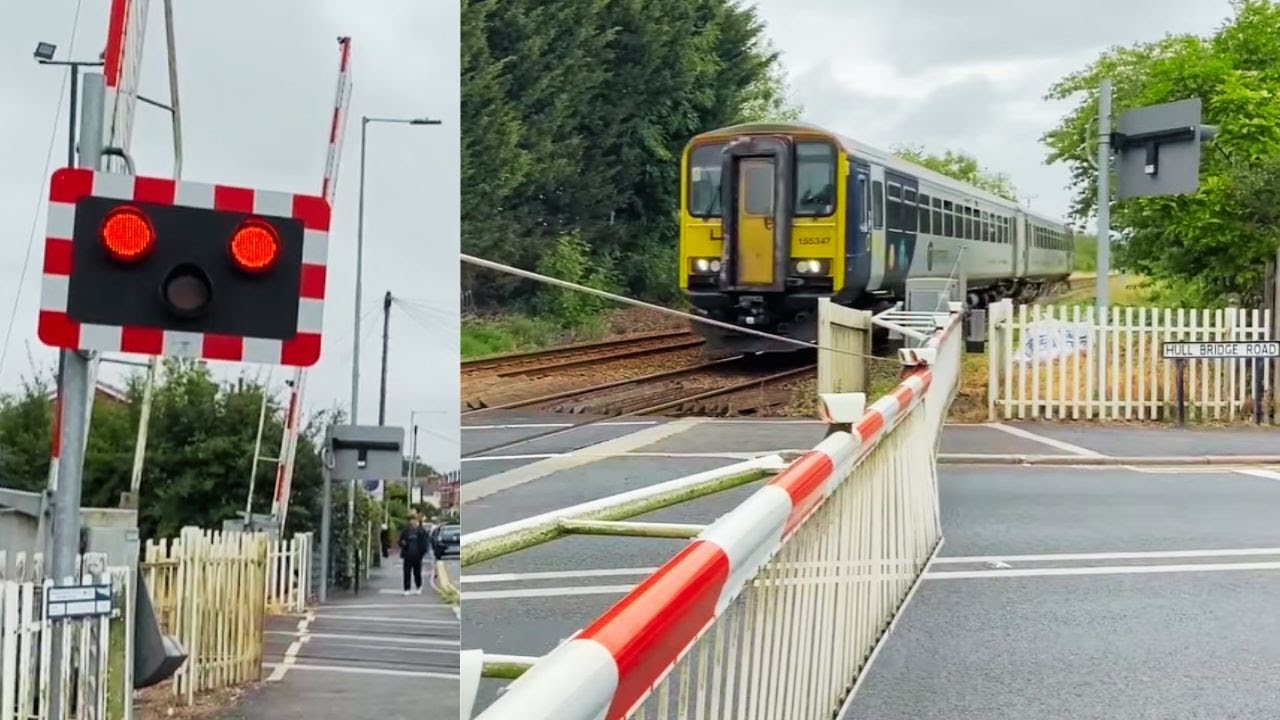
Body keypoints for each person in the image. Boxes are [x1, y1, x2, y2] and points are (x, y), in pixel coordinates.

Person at [398, 515, 430, 596]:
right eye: (411, 521)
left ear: (417, 522)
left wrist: (422, 553)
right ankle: (406, 589)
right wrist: (402, 543)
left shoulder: (421, 531)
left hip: (417, 556)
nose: (413, 522)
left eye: (414, 520)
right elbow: (400, 541)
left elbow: (425, 543)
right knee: (407, 573)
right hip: (407, 555)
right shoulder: (405, 531)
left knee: (417, 573)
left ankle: (419, 587)